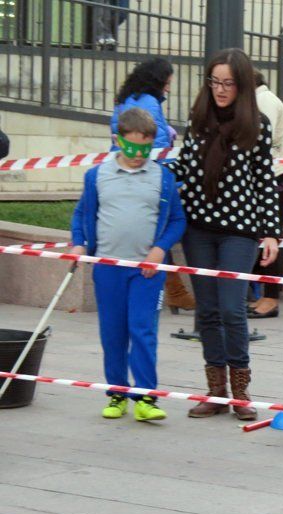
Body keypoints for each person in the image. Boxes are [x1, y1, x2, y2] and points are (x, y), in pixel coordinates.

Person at [167, 48, 280, 421]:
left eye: (228, 83)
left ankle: (241, 392)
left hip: (240, 231)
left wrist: (271, 233)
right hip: (198, 229)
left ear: (242, 84)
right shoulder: (198, 119)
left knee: (232, 309)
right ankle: (216, 390)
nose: (220, 89)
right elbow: (183, 168)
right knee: (209, 311)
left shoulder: (257, 124)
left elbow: (265, 181)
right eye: (214, 81)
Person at [69, 107, 185, 422]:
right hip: (108, 268)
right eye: (131, 148)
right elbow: (82, 214)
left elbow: (177, 219)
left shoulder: (162, 177)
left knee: (143, 329)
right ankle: (117, 393)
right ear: (117, 140)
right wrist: (79, 242)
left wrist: (160, 249)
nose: (137, 156)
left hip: (146, 270)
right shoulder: (97, 175)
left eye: (144, 150)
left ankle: (146, 396)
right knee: (113, 333)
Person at [110, 57, 194, 314]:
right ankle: (172, 292)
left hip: (122, 176)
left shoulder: (127, 100)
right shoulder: (149, 103)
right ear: (158, 81)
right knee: (159, 235)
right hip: (148, 178)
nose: (169, 87)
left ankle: (174, 291)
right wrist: (175, 181)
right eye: (167, 82)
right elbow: (156, 151)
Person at [247, 71, 283, 318]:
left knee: (271, 236)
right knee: (265, 236)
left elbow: (260, 138)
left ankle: (271, 298)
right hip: (272, 174)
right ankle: (264, 295)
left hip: (278, 175)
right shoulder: (260, 99)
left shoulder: (264, 100)